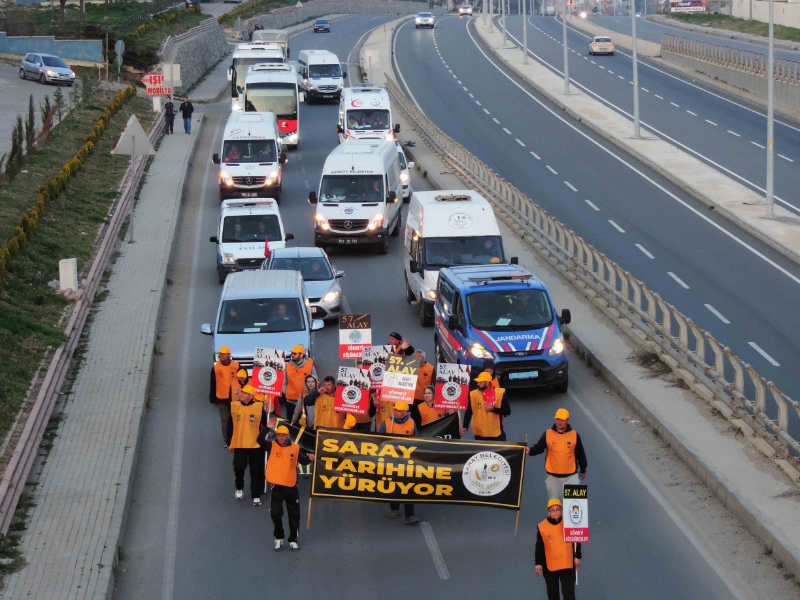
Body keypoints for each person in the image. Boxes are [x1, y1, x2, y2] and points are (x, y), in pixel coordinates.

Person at [256, 425, 313, 551]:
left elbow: (303, 461)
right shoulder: (271, 446)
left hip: (291, 487)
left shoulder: (296, 448)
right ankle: (279, 537)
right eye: (279, 435)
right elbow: (259, 440)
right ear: (277, 435)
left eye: (283, 435)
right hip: (276, 488)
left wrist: (309, 458)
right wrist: (267, 428)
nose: (281, 437)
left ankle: (293, 540)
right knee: (275, 514)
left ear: (288, 436)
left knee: (294, 516)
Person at [529, 408, 587, 502]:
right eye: (557, 419)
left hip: (571, 478)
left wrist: (583, 469)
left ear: (567, 420)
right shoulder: (548, 434)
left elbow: (581, 454)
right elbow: (539, 448)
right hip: (553, 479)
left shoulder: (575, 435)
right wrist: (530, 451)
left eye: (562, 420)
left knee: (573, 506)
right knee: (556, 507)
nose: (559, 423)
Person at [377, 401, 419, 525]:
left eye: (399, 410)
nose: (396, 412)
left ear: (405, 412)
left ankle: (410, 515)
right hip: (391, 460)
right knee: (392, 484)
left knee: (408, 487)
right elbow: (378, 440)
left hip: (406, 461)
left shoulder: (412, 423)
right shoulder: (386, 423)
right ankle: (394, 508)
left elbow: (416, 441)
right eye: (395, 410)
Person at [535, 499, 581, 600]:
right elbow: (539, 546)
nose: (555, 512)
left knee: (569, 593)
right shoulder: (542, 526)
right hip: (550, 565)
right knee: (552, 593)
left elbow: (577, 537)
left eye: (558, 509)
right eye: (552, 510)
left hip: (567, 563)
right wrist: (538, 563)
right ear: (549, 511)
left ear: (561, 510)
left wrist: (578, 556)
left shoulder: (570, 522)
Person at [228, 384, 267, 505]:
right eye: (242, 392)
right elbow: (229, 426)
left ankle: (256, 495)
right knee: (238, 468)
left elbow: (266, 425)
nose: (241, 394)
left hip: (255, 445)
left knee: (256, 471)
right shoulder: (234, 406)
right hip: (239, 444)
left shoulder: (259, 407)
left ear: (250, 396)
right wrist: (230, 442)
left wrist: (265, 437)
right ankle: (239, 488)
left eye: (244, 393)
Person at [461, 372, 510, 440]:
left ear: (487, 382)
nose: (478, 384)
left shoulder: (500, 393)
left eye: (480, 382)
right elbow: (469, 412)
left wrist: (493, 409)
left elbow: (507, 411)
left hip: (496, 434)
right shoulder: (474, 394)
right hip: (479, 434)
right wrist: (465, 427)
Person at [209, 346, 239, 447]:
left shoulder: (237, 366)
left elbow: (242, 380)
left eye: (224, 354)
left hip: (235, 398)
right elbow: (213, 383)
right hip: (221, 398)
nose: (222, 356)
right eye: (220, 354)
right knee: (224, 421)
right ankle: (228, 441)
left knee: (236, 419)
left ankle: (237, 439)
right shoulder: (216, 368)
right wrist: (212, 397)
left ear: (229, 355)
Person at [283, 345, 317, 421]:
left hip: (305, 402)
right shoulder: (288, 366)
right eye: (292, 353)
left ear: (301, 355)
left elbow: (316, 382)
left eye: (295, 354)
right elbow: (284, 382)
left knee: (306, 427)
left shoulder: (309, 366)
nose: (292, 355)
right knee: (291, 426)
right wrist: (285, 393)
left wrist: (311, 397)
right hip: (291, 402)